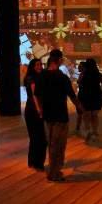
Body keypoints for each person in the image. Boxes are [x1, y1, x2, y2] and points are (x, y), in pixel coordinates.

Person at [39, 49, 77, 182]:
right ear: (59, 60)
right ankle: (55, 172)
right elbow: (72, 95)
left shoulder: (42, 75)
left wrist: (40, 109)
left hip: (47, 114)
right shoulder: (62, 77)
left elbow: (37, 94)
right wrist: (80, 108)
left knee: (51, 143)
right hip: (60, 115)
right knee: (59, 144)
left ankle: (53, 170)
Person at [23, 58, 47, 171]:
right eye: (37, 65)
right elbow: (34, 95)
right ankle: (38, 163)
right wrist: (39, 109)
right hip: (34, 109)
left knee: (34, 137)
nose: (40, 67)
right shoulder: (32, 78)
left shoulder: (35, 77)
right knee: (40, 138)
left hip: (31, 109)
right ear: (32, 67)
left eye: (40, 65)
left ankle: (32, 161)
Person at [78, 58, 102, 142]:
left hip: (85, 95)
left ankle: (87, 130)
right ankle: (95, 131)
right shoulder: (98, 74)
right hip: (96, 95)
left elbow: (79, 82)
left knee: (86, 114)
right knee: (94, 115)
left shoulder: (83, 74)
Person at [73, 61, 88, 136]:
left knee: (82, 112)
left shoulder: (84, 75)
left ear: (83, 67)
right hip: (82, 95)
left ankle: (83, 129)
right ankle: (79, 128)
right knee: (81, 113)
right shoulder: (82, 74)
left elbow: (79, 82)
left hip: (83, 96)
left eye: (80, 66)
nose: (78, 67)